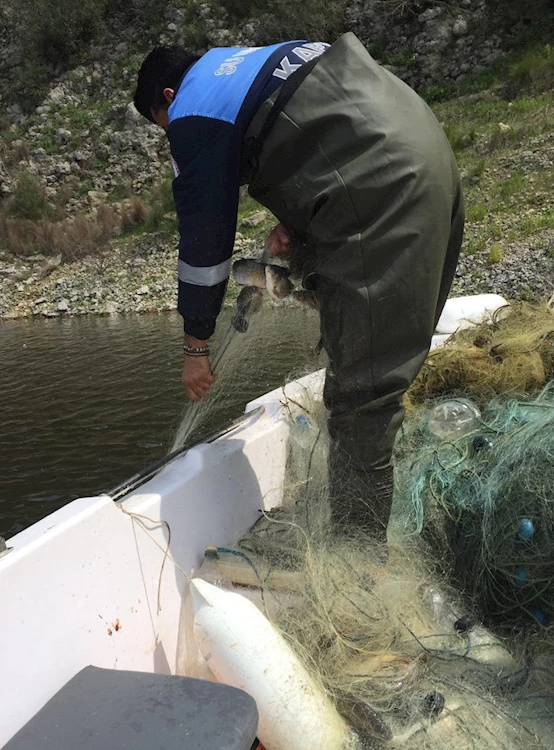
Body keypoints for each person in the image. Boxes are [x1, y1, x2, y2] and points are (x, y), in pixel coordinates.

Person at [133, 33, 464, 534]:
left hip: (381, 188)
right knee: (371, 341)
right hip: (425, 151)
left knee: (362, 396)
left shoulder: (191, 111)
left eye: (162, 127)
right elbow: (326, 137)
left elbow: (204, 239)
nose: (170, 135)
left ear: (168, 100)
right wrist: (304, 212)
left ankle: (357, 565)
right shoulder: (250, 65)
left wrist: (195, 345)